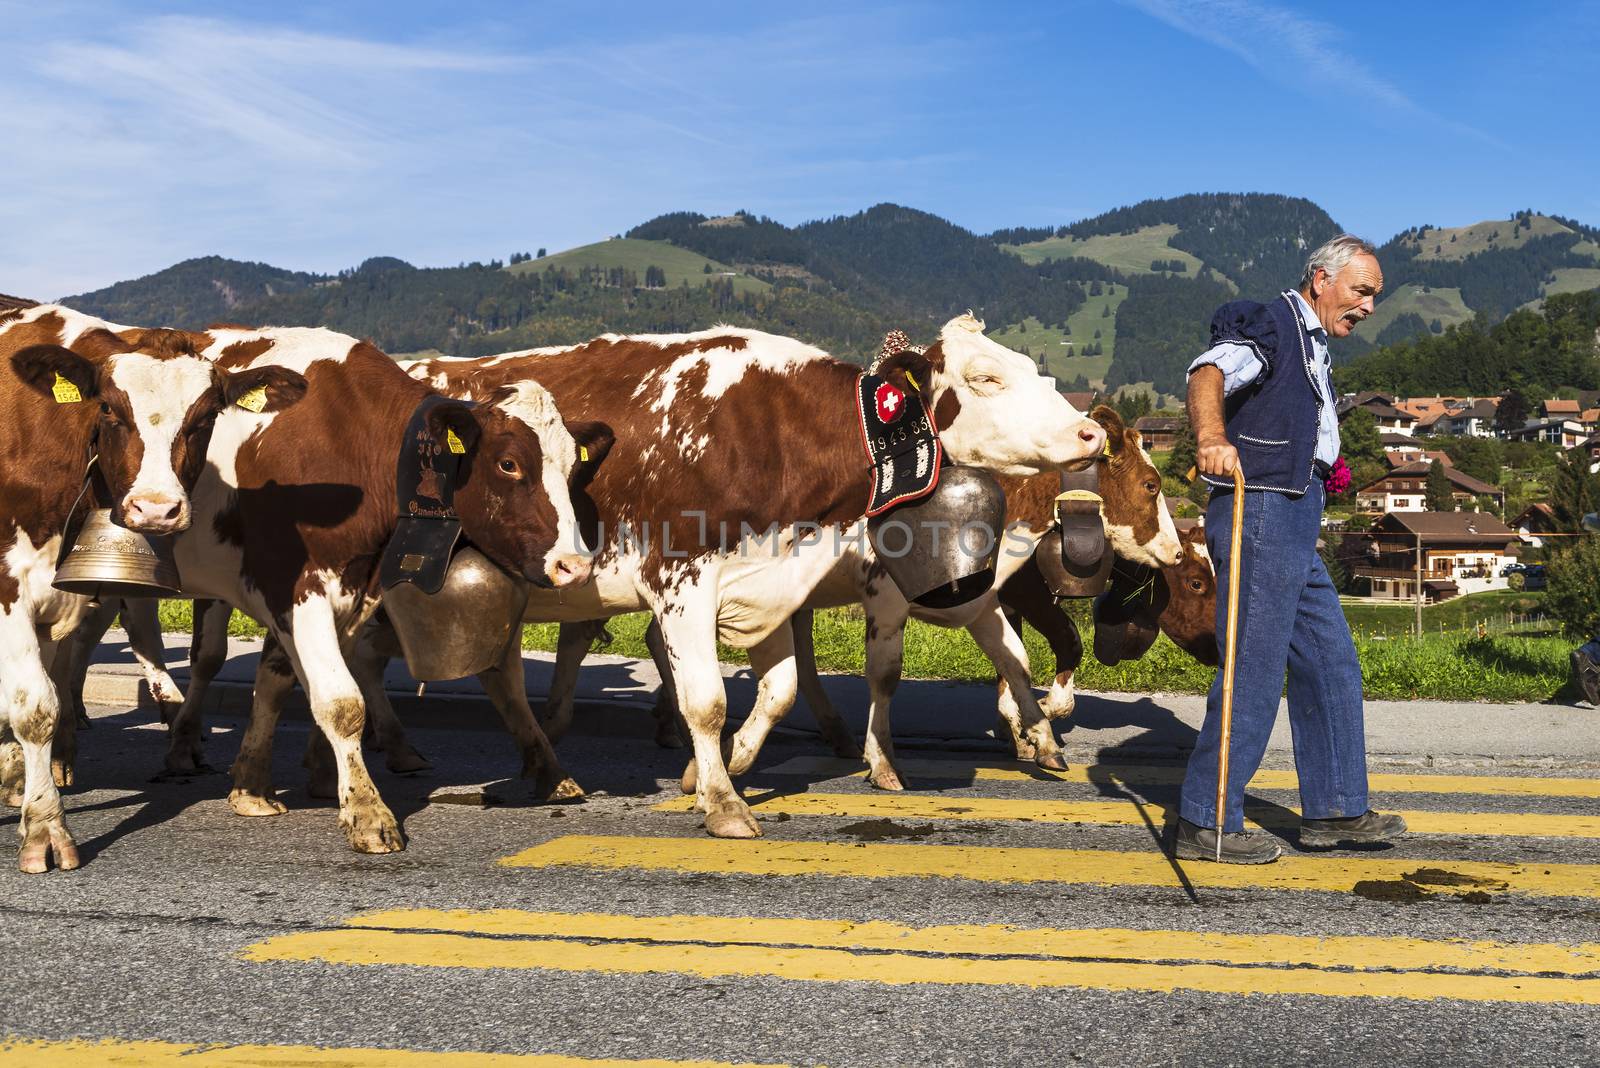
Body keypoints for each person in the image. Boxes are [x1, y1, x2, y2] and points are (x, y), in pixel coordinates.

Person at [1177, 234, 1407, 864]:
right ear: (1320, 279)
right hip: (1260, 509)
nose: (1367, 306)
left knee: (1330, 662)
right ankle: (1207, 820)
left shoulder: (1313, 343)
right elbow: (1209, 371)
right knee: (1253, 667)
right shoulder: (1274, 322)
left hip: (1296, 515)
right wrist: (1212, 436)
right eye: (1360, 290)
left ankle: (1335, 811)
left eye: (1374, 297)